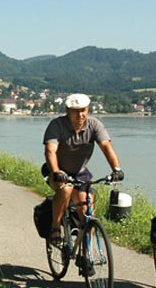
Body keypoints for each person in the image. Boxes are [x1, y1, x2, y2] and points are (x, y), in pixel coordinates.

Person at [42, 93, 124, 245]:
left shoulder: (94, 125)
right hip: (56, 170)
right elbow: (50, 151)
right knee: (65, 190)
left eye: (83, 110)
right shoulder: (57, 125)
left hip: (80, 172)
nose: (80, 115)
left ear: (88, 109)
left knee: (86, 210)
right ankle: (55, 226)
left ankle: (86, 252)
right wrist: (56, 172)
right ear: (67, 110)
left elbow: (106, 147)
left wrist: (116, 169)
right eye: (75, 111)